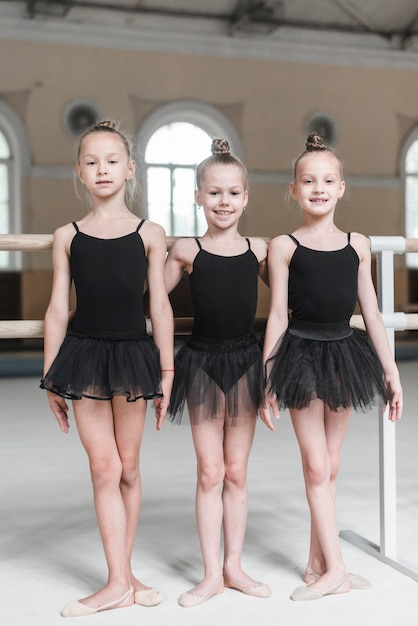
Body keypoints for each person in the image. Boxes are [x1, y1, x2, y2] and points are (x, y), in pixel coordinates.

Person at [40, 120, 174, 617]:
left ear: (130, 169)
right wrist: (51, 375)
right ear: (79, 172)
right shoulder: (67, 236)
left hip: (135, 355)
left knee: (130, 467)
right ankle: (118, 581)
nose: (102, 169)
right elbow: (57, 309)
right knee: (105, 467)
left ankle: (125, 573)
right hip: (84, 356)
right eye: (92, 162)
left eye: (112, 160)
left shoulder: (149, 233)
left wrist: (167, 372)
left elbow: (159, 307)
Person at [261, 133, 403, 601]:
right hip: (300, 356)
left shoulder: (357, 245)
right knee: (316, 464)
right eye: (308, 181)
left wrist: (392, 371)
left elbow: (373, 313)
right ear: (294, 189)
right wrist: (268, 378)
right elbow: (278, 314)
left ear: (341, 187)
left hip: (345, 353)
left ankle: (316, 563)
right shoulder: (284, 245)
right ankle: (337, 570)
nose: (318, 188)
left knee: (330, 465)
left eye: (327, 180)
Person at [165, 138, 270, 608]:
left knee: (237, 472)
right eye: (214, 193)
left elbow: (294, 296)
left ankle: (234, 567)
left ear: (246, 197)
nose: (223, 202)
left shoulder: (259, 250)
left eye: (232, 193)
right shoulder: (188, 250)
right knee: (210, 472)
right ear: (198, 197)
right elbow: (151, 298)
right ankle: (210, 574)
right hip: (203, 363)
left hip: (246, 363)